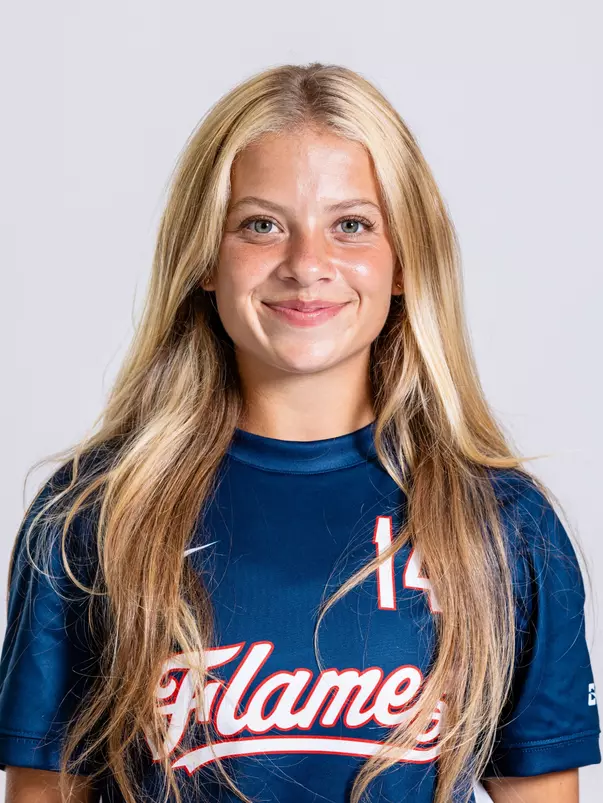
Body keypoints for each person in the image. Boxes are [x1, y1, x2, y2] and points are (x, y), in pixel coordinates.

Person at [0, 62, 599, 803]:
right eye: (261, 224)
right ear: (205, 260)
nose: (306, 264)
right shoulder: (93, 513)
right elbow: (42, 790)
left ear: (403, 260)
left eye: (351, 225)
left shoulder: (502, 524)